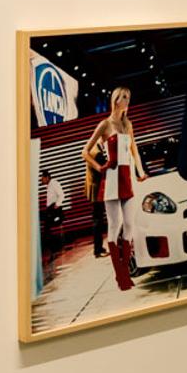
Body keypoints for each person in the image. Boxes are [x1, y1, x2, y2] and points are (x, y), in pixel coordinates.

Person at [82, 88, 149, 289]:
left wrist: (140, 171)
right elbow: (85, 152)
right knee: (114, 226)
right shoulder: (105, 124)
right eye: (123, 97)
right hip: (111, 181)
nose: (126, 100)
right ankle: (121, 275)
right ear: (115, 100)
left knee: (129, 224)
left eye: (128, 96)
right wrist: (99, 167)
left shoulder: (128, 124)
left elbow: (134, 151)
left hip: (127, 179)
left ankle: (125, 272)